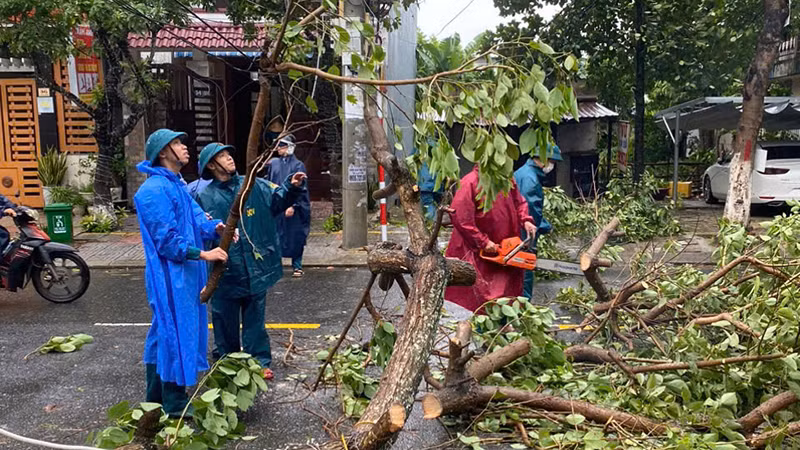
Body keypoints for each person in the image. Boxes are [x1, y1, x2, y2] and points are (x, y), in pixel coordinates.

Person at [134, 129, 230, 418]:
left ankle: (155, 401)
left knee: (164, 333)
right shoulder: (152, 191)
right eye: (176, 143)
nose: (184, 147)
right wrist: (204, 253)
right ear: (163, 152)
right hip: (170, 276)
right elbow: (167, 240)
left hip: (186, 274)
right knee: (173, 333)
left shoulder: (176, 185)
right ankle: (173, 406)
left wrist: (216, 229)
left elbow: (197, 218)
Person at [195, 142, 308, 380]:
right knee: (224, 319)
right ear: (212, 165)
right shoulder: (204, 195)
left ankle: (259, 362)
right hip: (225, 269)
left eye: (229, 154)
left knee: (255, 319)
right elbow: (198, 227)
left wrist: (292, 187)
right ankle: (228, 362)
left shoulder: (250, 185)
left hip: (255, 268)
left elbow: (277, 199)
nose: (229, 159)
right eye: (222, 157)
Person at [444, 166, 537, 312]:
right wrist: (482, 241)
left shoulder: (506, 180)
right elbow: (460, 217)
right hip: (476, 250)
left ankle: (502, 324)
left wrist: (526, 220)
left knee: (506, 293)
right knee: (478, 297)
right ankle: (480, 328)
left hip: (506, 245)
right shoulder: (470, 182)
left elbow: (519, 201)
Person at [514, 144, 562, 298]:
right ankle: (523, 306)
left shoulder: (522, 172)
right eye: (552, 161)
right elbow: (530, 212)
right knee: (525, 269)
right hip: (524, 233)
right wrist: (545, 226)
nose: (552, 166)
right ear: (543, 159)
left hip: (516, 228)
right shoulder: (531, 180)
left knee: (516, 270)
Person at [266, 136, 311, 278]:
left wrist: (293, 205)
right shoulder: (273, 164)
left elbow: (301, 188)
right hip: (278, 205)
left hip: (295, 209)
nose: (279, 148)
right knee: (276, 236)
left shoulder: (298, 165)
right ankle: (276, 265)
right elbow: (269, 183)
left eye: (282, 145)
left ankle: (297, 265)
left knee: (295, 236)